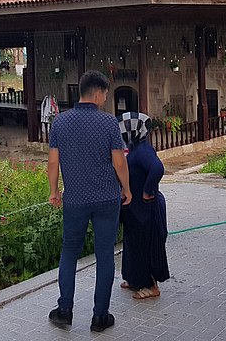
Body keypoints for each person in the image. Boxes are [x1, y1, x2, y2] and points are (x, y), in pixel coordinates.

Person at [47, 70, 132, 333]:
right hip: (107, 198)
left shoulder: (60, 123)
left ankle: (64, 311)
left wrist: (54, 191)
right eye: (105, 93)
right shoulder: (108, 123)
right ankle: (100, 316)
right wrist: (126, 188)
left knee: (69, 252)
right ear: (96, 93)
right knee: (105, 253)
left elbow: (52, 162)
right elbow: (119, 161)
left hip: (74, 199)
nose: (106, 98)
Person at [117, 111, 170, 300]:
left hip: (145, 208)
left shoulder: (143, 150)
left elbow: (157, 168)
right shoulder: (135, 148)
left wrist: (148, 191)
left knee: (145, 246)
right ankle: (134, 278)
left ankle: (150, 285)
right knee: (132, 243)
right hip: (134, 207)